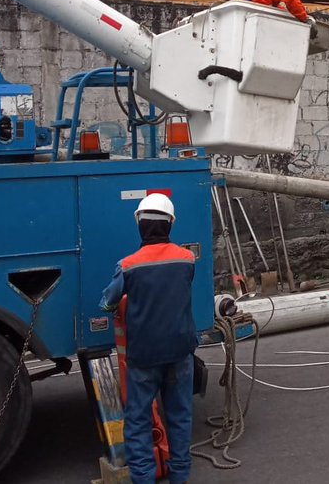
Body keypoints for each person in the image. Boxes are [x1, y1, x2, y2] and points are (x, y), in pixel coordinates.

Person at [99, 193, 196, 484]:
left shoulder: (127, 265)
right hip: (181, 350)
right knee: (180, 417)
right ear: (170, 224)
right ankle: (180, 477)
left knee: (138, 421)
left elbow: (107, 303)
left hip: (144, 355)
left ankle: (143, 478)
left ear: (139, 224)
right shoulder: (187, 259)